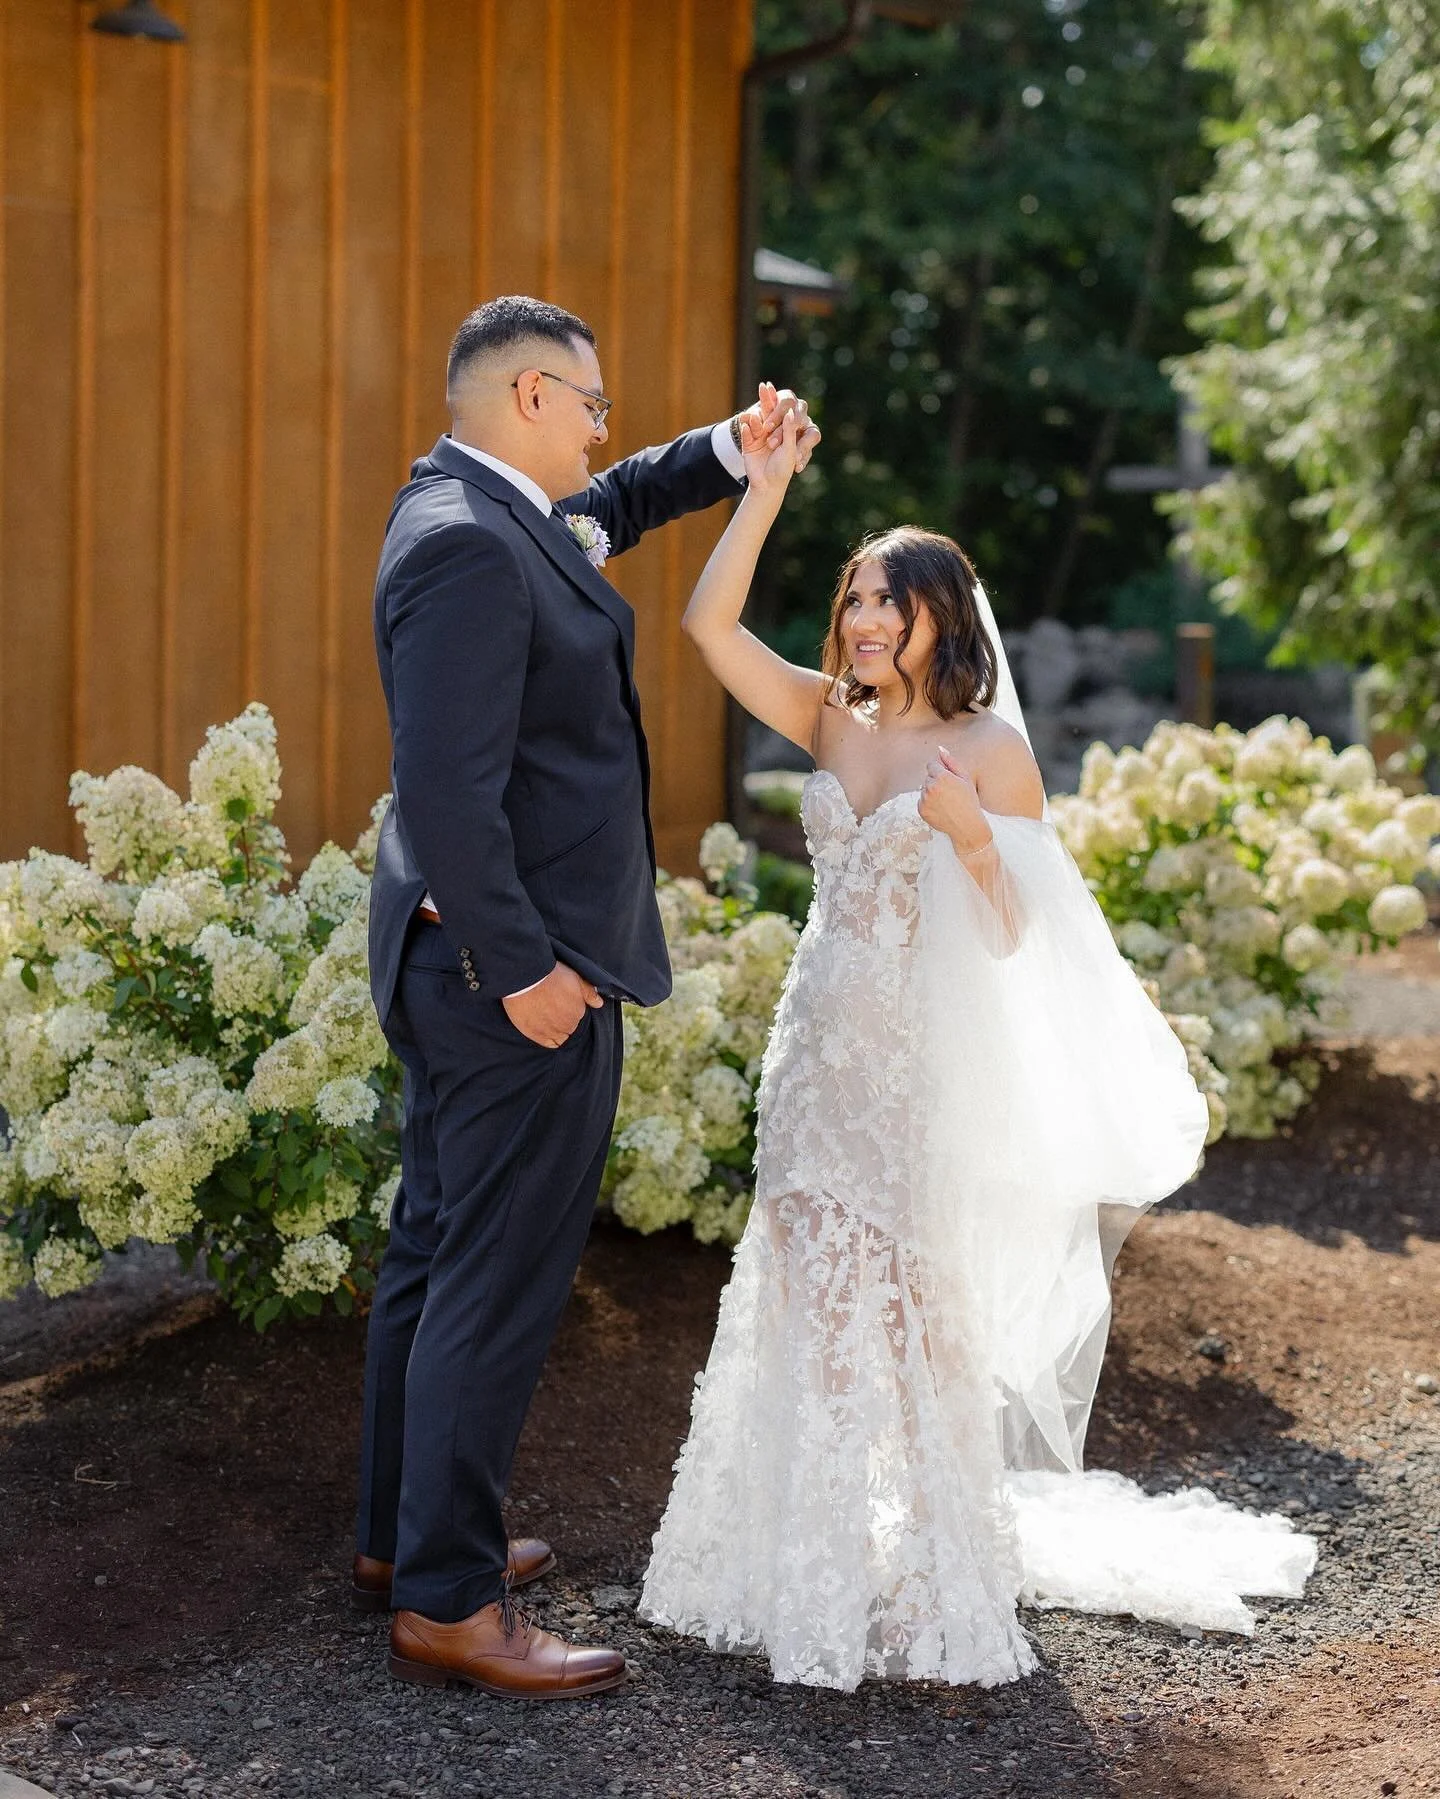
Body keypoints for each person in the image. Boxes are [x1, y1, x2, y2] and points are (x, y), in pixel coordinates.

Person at [639, 397, 1317, 1691]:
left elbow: (1021, 939)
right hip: (814, 1055)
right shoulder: (832, 720)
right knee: (813, 1307)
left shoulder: (994, 754)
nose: (866, 620)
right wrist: (764, 489)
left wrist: (961, 837)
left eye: (891, 602)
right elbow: (706, 627)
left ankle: (937, 1567)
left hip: (917, 1073)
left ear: (946, 615)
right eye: (854, 601)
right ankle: (802, 1570)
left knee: (919, 1320)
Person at [358, 297, 819, 1701]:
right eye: (599, 405)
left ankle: (405, 1534)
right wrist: (531, 974)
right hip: (511, 985)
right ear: (537, 398)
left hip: (476, 972)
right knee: (490, 1279)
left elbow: (614, 502)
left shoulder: (490, 509)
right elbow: (447, 794)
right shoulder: (465, 550)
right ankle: (449, 1598)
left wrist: (726, 453)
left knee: (437, 1253)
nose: (610, 430)